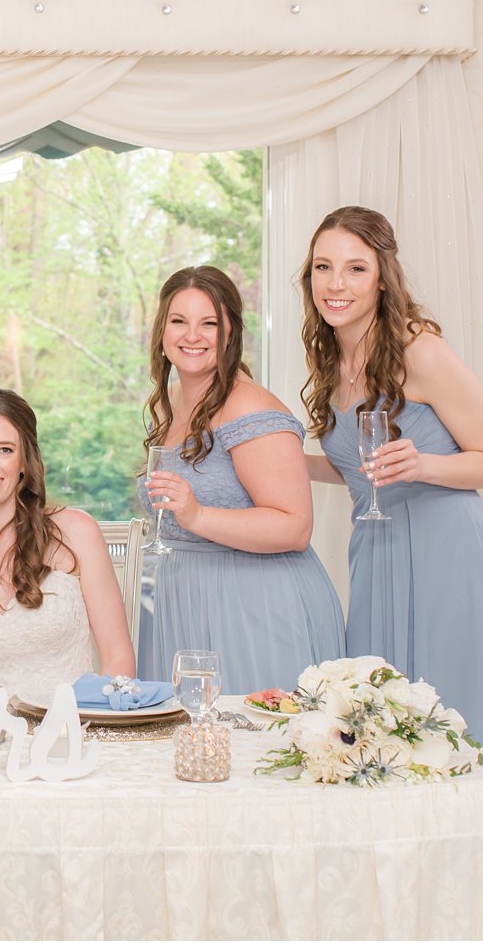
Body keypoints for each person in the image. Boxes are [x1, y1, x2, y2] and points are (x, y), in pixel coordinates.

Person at [300, 205, 483, 775]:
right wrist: (291, 462)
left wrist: (424, 464)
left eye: (355, 269)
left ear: (383, 276)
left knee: (447, 737)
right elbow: (362, 471)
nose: (336, 284)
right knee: (380, 735)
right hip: (376, 555)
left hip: (449, 556)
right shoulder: (331, 361)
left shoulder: (420, 350)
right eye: (322, 267)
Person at [138, 266, 344, 695]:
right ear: (162, 330)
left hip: (253, 604)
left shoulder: (251, 408)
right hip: (183, 601)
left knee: (253, 753)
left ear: (230, 331)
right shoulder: (171, 404)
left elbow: (295, 526)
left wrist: (197, 514)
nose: (192, 335)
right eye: (179, 321)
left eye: (209, 323)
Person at [0, 388, 134, 699]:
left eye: (4, 450)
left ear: (25, 462)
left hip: (75, 733)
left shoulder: (78, 533)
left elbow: (118, 659)